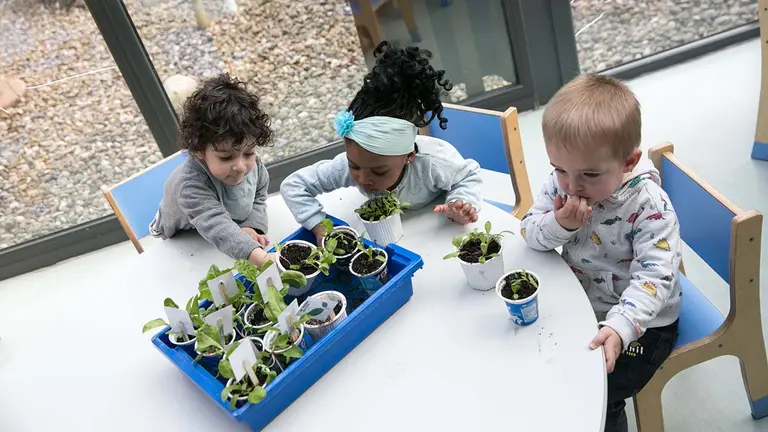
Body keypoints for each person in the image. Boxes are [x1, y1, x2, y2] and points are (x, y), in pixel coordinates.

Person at [519, 74, 681, 432]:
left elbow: (655, 277)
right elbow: (529, 232)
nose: (572, 185)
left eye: (589, 174)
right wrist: (560, 225)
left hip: (644, 325)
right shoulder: (563, 181)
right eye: (558, 169)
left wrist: (622, 327)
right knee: (535, 362)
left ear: (628, 162)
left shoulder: (649, 205)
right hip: (582, 300)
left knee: (598, 394)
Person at [280, 41, 483, 245]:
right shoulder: (351, 165)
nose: (362, 178)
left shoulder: (435, 162)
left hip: (438, 233)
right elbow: (293, 186)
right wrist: (319, 224)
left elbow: (469, 174)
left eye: (379, 172)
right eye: (354, 166)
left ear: (409, 155)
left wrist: (459, 204)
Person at [150, 73, 274, 266]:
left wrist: (250, 226)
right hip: (183, 232)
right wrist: (263, 259)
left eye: (248, 153)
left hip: (223, 219)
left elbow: (259, 195)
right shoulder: (190, 187)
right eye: (226, 157)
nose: (241, 166)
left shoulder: (254, 166)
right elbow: (216, 225)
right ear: (199, 150)